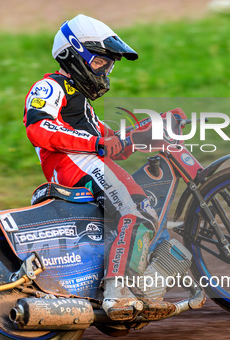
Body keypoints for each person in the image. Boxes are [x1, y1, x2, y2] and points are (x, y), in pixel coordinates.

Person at [23, 14, 158, 321]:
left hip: (88, 163)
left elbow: (109, 140)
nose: (105, 71)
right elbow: (39, 128)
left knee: (144, 210)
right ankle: (117, 292)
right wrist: (94, 144)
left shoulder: (82, 103)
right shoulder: (50, 87)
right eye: (99, 63)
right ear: (73, 55)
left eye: (109, 65)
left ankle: (124, 286)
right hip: (76, 166)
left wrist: (150, 131)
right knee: (135, 210)